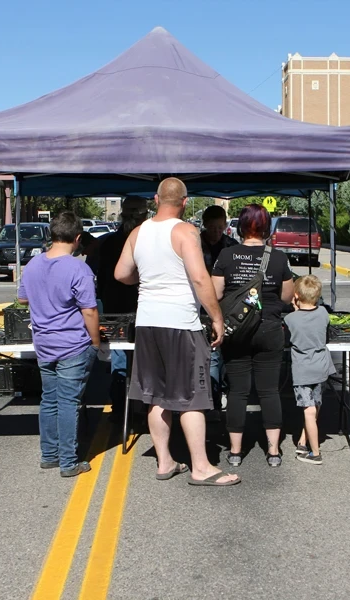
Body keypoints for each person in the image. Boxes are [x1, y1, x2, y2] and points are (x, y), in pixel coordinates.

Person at [115, 177, 238, 486]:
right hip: (180, 322)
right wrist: (217, 318)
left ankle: (165, 460)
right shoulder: (185, 231)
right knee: (192, 396)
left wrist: (148, 278)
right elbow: (199, 278)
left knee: (155, 394)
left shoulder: (137, 233)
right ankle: (201, 467)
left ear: (156, 199)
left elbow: (121, 274)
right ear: (184, 202)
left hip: (147, 320)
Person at [17, 212, 101, 478]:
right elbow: (89, 310)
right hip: (72, 344)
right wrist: (97, 342)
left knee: (49, 400)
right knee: (68, 402)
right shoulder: (78, 268)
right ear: (77, 238)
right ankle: (68, 461)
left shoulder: (32, 265)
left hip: (44, 344)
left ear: (51, 235)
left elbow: (22, 300)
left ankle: (49, 455)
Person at [212, 204, 294, 468]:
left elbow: (214, 295)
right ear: (267, 228)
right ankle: (273, 452)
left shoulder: (226, 255)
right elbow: (286, 298)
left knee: (237, 392)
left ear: (240, 226)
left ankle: (235, 452)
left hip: (237, 331)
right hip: (269, 329)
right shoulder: (279, 258)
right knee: (269, 391)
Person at [96, 196, 150, 422]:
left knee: (120, 359)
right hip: (142, 308)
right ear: (144, 217)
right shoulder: (147, 241)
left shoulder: (108, 242)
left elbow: (100, 280)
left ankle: (121, 408)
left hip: (115, 310)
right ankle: (143, 408)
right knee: (145, 360)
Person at [284, 275, 334, 465]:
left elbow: (290, 334)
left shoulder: (290, 319)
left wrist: (295, 309)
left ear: (296, 295)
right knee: (315, 405)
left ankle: (315, 452)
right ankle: (303, 440)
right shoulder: (323, 313)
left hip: (303, 370)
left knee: (308, 410)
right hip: (321, 366)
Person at [199, 204, 239, 414]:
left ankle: (225, 394)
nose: (216, 232)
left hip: (228, 307)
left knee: (226, 355)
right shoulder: (194, 244)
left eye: (220, 227)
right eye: (212, 227)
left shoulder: (231, 245)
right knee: (213, 355)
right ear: (205, 225)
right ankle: (213, 402)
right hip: (203, 308)